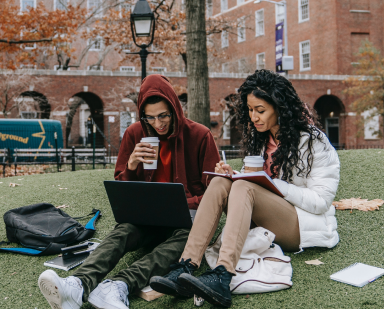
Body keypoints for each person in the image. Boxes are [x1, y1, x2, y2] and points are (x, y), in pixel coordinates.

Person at [150, 69, 341, 308]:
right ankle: (185, 265)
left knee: (243, 188)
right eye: (250, 110)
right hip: (264, 216)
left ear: (280, 108)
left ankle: (223, 274)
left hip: (300, 224)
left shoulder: (313, 141)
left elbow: (321, 201)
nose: (254, 117)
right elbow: (256, 183)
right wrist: (235, 174)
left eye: (260, 111)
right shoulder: (261, 139)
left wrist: (269, 184)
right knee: (221, 181)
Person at [38, 74, 221, 309]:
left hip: (186, 220)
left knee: (184, 241)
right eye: (151, 117)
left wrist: (185, 203)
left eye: (164, 115)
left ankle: (117, 286)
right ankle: (77, 285)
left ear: (175, 108)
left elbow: (215, 191)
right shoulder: (135, 134)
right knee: (122, 231)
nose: (158, 124)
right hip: (146, 219)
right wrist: (132, 165)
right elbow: (122, 187)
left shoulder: (200, 135)